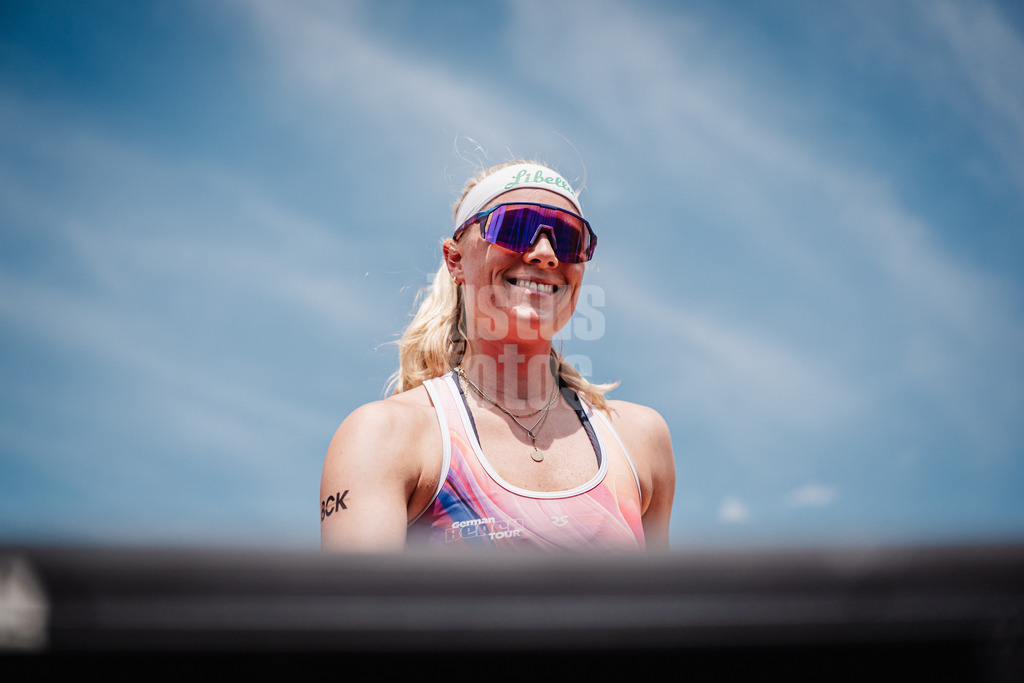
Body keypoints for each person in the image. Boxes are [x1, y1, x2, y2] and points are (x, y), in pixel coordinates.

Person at [320, 161, 675, 551]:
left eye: (568, 238)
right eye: (515, 226)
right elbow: (357, 610)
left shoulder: (639, 440)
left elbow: (660, 609)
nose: (545, 253)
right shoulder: (386, 437)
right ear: (455, 260)